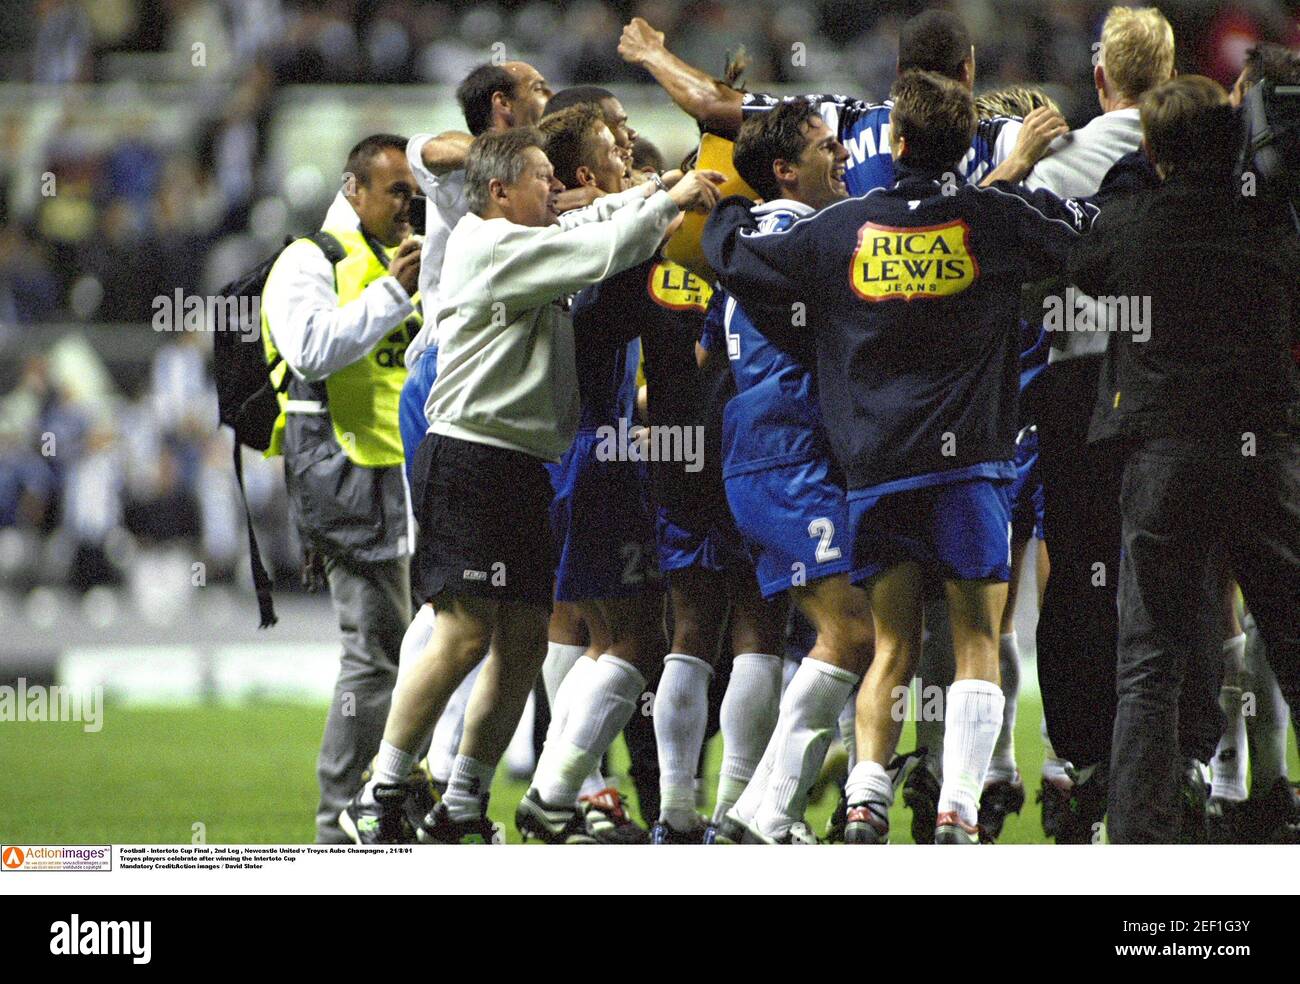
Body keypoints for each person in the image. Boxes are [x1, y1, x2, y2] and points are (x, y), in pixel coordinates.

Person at [704, 70, 1096, 844]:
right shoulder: (997, 217)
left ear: (900, 143)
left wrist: (725, 211)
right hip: (970, 468)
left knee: (889, 646)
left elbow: (740, 261)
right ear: (968, 145)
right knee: (978, 641)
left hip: (876, 473)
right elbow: (1090, 234)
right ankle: (956, 809)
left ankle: (864, 800)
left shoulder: (840, 229)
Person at [340, 127, 722, 844]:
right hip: (471, 457)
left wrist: (649, 190)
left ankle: (461, 804)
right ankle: (380, 790)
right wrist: (667, 199)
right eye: (542, 177)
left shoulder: (529, 237)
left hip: (521, 465)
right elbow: (597, 247)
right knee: (462, 634)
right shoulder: (489, 246)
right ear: (498, 189)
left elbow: (588, 223)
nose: (555, 189)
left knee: (519, 642)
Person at [1073, 75, 1300, 843]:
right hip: (1265, 456)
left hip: (1166, 457)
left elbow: (1076, 264)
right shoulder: (1274, 223)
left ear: (1153, 149)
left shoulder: (1129, 223)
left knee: (1149, 666)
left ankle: (1142, 843)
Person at [695, 100, 875, 845]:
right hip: (787, 455)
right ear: (784, 170)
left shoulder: (754, 235)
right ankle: (773, 815)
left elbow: (712, 354)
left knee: (829, 635)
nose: (844, 156)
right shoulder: (810, 234)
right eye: (826, 146)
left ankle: (747, 812)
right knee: (851, 633)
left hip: (765, 452)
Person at [1019, 5, 1178, 838]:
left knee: (1078, 572)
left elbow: (1023, 275)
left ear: (1099, 76)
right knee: (1177, 575)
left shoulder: (1059, 165)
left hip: (1078, 386)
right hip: (1174, 388)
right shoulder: (1195, 156)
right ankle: (1191, 764)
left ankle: (1072, 757)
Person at [259, 134, 423, 844]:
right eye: (395, 192)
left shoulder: (404, 259)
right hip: (346, 472)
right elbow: (311, 350)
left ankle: (395, 803)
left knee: (424, 646)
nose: (407, 206)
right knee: (376, 647)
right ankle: (337, 821)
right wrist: (396, 293)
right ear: (353, 189)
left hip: (408, 469)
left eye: (413, 194)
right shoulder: (308, 260)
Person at [618, 9, 1048, 192]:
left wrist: (652, 53)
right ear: (968, 70)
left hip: (855, 350)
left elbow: (711, 104)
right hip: (965, 361)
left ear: (898, 70)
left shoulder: (839, 120)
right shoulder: (1010, 141)